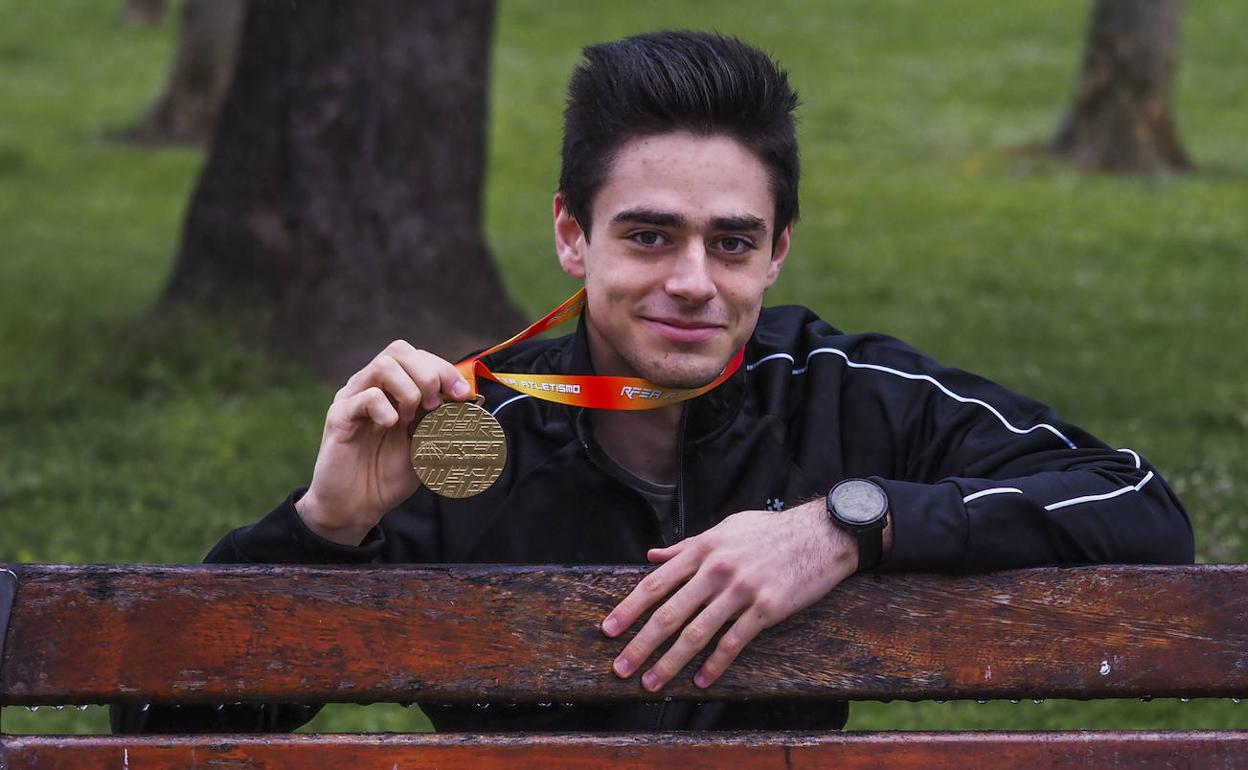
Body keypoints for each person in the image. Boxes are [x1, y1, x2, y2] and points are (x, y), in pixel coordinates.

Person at [115, 30, 1192, 734]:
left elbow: (1137, 507)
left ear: (776, 252)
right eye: (649, 234)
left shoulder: (842, 391)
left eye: (732, 243)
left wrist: (845, 525)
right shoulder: (454, 433)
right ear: (571, 234)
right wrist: (326, 525)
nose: (693, 282)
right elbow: (157, 729)